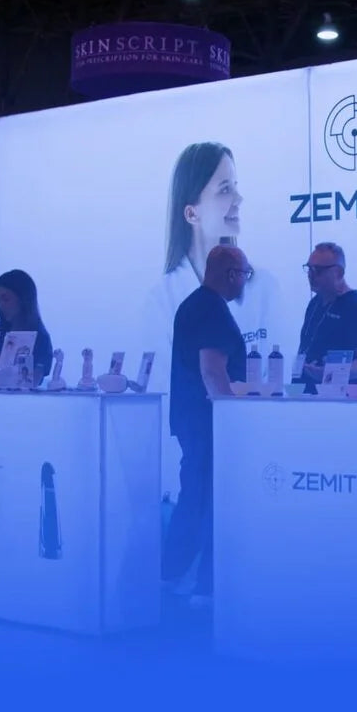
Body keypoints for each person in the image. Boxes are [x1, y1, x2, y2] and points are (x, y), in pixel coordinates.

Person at [163, 244, 250, 604]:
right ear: (230, 274)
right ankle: (201, 584)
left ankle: (173, 575)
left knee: (194, 498)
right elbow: (212, 372)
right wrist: (231, 419)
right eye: (244, 274)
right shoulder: (212, 311)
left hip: (192, 420)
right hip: (208, 424)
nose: (245, 282)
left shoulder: (193, 305)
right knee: (206, 502)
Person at [144, 142, 281, 361]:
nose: (238, 199)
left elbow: (280, 371)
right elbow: (164, 377)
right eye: (225, 190)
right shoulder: (161, 301)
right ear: (191, 214)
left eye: (235, 187)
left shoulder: (264, 286)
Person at [297, 242, 357, 385]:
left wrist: (330, 373)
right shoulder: (315, 303)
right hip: (304, 391)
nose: (311, 275)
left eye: (318, 270)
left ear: (339, 273)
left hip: (338, 394)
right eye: (309, 268)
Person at [0, 269, 53, 382]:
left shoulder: (40, 339)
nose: (0, 305)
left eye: (6, 299)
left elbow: (34, 380)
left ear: (23, 299)